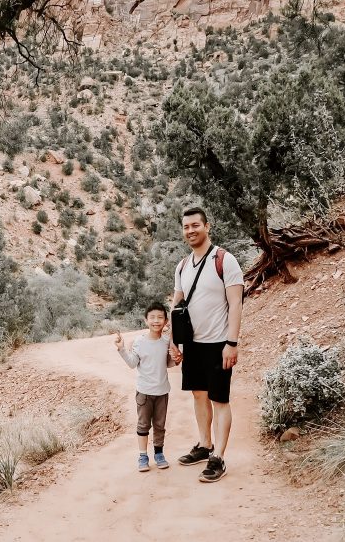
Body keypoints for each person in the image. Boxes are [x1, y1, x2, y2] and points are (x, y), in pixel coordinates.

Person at [170, 207, 245, 483]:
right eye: (186, 227)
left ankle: (219, 457)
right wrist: (173, 342)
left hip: (218, 344)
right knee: (198, 395)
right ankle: (204, 445)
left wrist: (232, 343)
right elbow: (176, 304)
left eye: (195, 225)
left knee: (220, 399)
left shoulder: (224, 260)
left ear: (207, 226)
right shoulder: (182, 266)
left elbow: (236, 303)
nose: (190, 231)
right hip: (193, 345)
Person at [114, 302, 178, 472]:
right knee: (143, 425)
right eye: (152, 317)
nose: (156, 321)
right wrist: (122, 350)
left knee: (159, 425)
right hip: (144, 392)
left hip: (162, 391)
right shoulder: (139, 342)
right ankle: (143, 456)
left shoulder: (166, 342)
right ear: (145, 320)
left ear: (165, 321)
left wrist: (177, 358)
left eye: (160, 317)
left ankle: (159, 454)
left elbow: (169, 364)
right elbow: (132, 363)